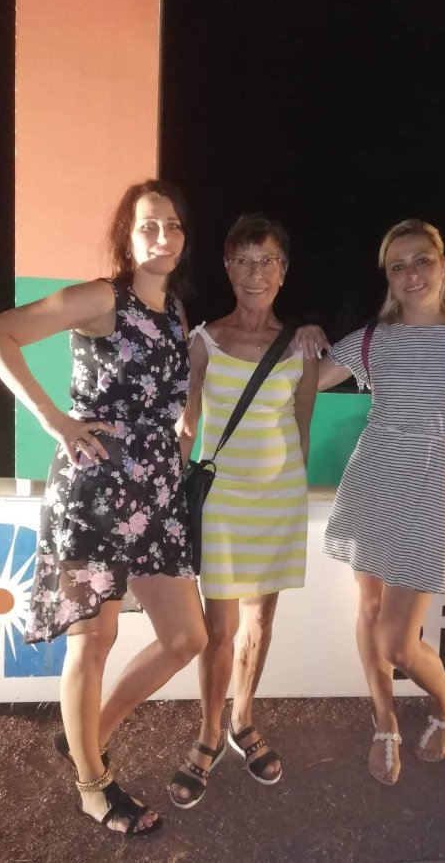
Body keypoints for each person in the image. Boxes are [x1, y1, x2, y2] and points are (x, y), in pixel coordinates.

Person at [0, 179, 208, 835]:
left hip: (155, 497)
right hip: (94, 495)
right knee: (94, 640)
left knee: (186, 638)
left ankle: (87, 735)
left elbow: (172, 395)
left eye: (173, 225)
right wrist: (55, 420)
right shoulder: (104, 298)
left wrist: (179, 441)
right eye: (148, 225)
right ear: (127, 237)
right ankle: (93, 787)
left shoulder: (176, 311)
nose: (162, 236)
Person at [300, 218, 445, 786]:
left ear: (442, 264)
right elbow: (305, 380)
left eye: (422, 260)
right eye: (398, 266)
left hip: (431, 488)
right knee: (370, 610)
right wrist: (304, 340)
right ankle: (385, 721)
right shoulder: (374, 339)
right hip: (373, 478)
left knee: (398, 643)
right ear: (388, 278)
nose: (411, 273)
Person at [169, 213, 318, 808]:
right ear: (227, 268)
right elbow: (186, 428)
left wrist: (289, 487)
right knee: (221, 630)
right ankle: (209, 733)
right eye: (244, 261)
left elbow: (301, 428)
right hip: (225, 502)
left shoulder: (302, 345)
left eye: (267, 261)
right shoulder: (203, 342)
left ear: (284, 271)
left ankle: (243, 720)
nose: (256, 274)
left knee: (261, 621)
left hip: (277, 501)